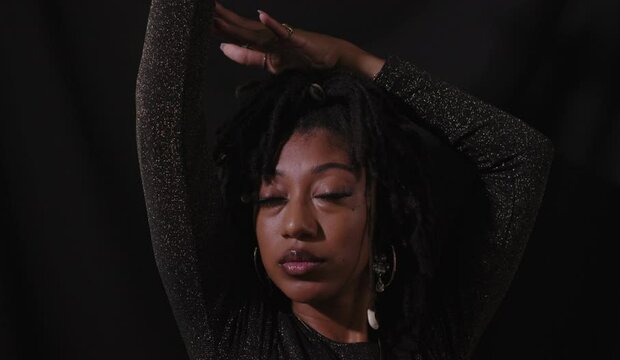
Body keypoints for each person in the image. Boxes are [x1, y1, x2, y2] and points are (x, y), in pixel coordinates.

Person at [135, 0, 554, 359]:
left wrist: (351, 61)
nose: (295, 224)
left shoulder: (430, 341)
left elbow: (519, 156)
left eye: (329, 194)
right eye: (272, 199)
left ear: (384, 209)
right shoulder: (237, 337)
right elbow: (163, 122)